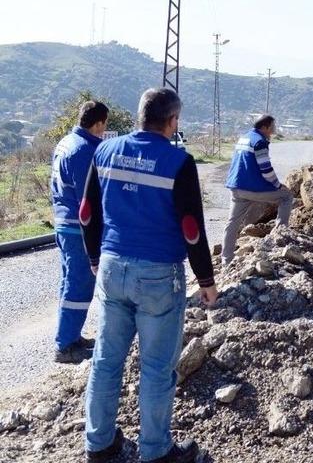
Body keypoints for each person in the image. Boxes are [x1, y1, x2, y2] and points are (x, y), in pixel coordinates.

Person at [80, 88, 217, 463]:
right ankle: (155, 451)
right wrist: (206, 280)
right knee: (156, 367)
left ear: (140, 116)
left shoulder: (104, 151)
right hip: (158, 276)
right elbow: (191, 228)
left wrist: (94, 256)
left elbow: (87, 212)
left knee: (107, 361)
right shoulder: (178, 162)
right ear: (172, 121)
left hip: (111, 266)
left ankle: (99, 444)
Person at [50, 101, 109, 363]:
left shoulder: (65, 142)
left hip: (64, 223)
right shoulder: (86, 150)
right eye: (105, 125)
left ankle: (71, 336)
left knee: (69, 282)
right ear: (98, 124)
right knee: (79, 284)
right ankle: (65, 346)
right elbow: (90, 200)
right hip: (78, 228)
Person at [222, 114, 293, 265]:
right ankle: (279, 238)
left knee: (232, 223)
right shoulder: (260, 142)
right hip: (253, 188)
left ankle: (226, 259)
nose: (273, 132)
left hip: (236, 187)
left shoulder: (244, 137)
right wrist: (278, 185)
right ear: (264, 127)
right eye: (272, 128)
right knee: (286, 197)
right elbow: (266, 170)